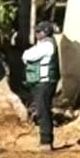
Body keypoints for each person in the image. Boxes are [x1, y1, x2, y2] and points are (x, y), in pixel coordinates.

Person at [22, 20, 60, 151]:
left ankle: (46, 141)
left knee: (43, 111)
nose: (37, 33)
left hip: (45, 83)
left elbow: (29, 55)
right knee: (42, 110)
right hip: (41, 82)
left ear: (46, 32)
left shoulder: (47, 45)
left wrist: (27, 56)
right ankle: (45, 140)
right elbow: (27, 54)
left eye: (39, 31)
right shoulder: (42, 44)